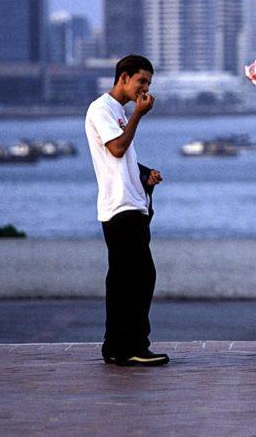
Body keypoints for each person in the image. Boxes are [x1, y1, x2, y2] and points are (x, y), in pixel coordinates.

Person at [85, 54, 168, 367]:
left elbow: (119, 158)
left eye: (148, 83)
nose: (144, 89)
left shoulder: (117, 112)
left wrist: (144, 173)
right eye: (141, 81)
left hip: (131, 204)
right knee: (137, 277)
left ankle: (117, 346)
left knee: (128, 278)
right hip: (120, 208)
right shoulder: (102, 109)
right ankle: (131, 346)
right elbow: (116, 148)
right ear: (123, 78)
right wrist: (138, 116)